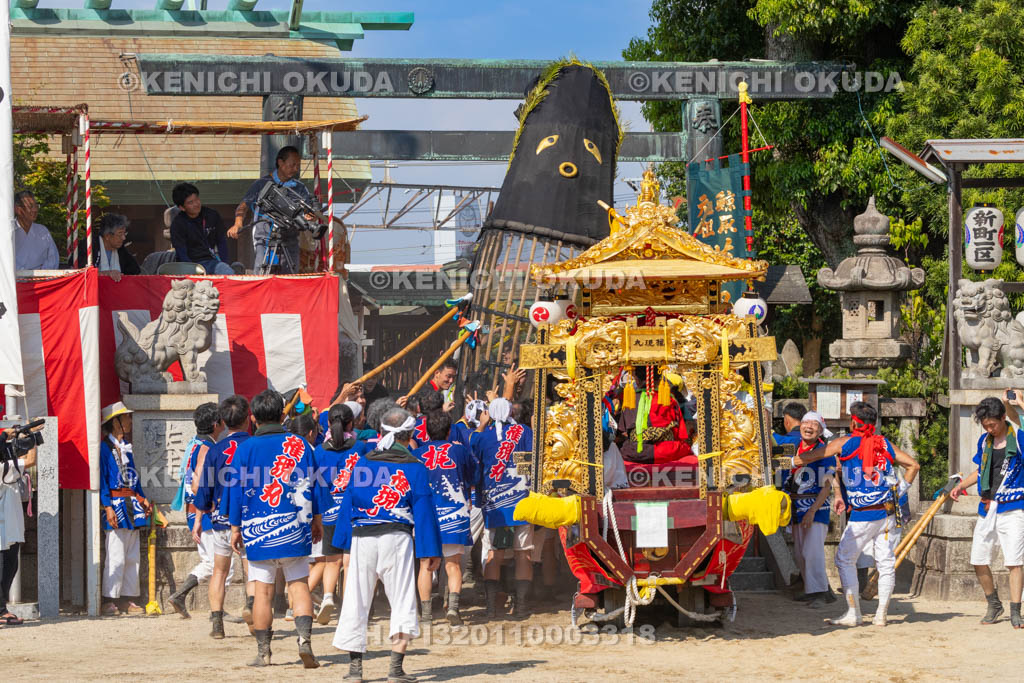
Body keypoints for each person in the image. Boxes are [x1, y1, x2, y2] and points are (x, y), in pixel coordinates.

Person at [332, 407, 442, 683]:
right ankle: (395, 669)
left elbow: (350, 502)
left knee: (356, 600)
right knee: (403, 599)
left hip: (361, 539)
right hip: (397, 539)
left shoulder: (364, 463)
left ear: (381, 432)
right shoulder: (415, 467)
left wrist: (342, 543)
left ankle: (355, 670)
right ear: (409, 436)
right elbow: (424, 510)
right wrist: (431, 551)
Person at [795, 401, 919, 627]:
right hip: (891, 512)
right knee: (886, 562)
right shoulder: (884, 443)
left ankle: (854, 612)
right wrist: (899, 490)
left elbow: (813, 456)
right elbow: (913, 465)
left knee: (844, 559)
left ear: (854, 421)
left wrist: (789, 461)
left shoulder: (845, 443)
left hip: (864, 514)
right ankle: (881, 615)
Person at [227, 389, 322, 668]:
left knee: (263, 591)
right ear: (283, 415)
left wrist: (235, 528)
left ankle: (264, 652)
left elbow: (235, 492)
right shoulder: (301, 445)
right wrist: (317, 520)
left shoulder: (244, 449)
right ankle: (304, 642)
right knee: (299, 585)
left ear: (253, 418)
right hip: (297, 526)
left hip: (258, 530)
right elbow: (316, 485)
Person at [951, 394, 1024, 627]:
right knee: (978, 559)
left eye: (993, 424)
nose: (990, 428)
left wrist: (1020, 404)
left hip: (1014, 506)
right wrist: (960, 485)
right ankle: (993, 603)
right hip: (987, 506)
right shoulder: (984, 441)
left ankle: (1015, 610)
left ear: (1004, 418)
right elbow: (980, 472)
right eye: (986, 426)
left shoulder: (1019, 439)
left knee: (1014, 561)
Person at [191, 396, 252, 635]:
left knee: (219, 570)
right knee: (252, 569)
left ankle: (217, 622)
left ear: (224, 421)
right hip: (249, 517)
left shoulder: (215, 450)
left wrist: (201, 513)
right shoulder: (254, 446)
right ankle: (252, 612)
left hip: (221, 518)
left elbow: (203, 488)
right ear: (248, 418)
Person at [167, 402, 231, 622]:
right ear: (216, 424)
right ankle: (185, 596)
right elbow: (198, 485)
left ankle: (197, 600)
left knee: (213, 561)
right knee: (218, 563)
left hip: (194, 510)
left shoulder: (196, 445)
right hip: (204, 511)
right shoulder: (207, 448)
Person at [412, 410, 475, 626]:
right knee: (453, 564)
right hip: (455, 512)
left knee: (425, 565)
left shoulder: (417, 454)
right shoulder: (459, 451)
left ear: (426, 433)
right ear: (450, 432)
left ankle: (427, 616)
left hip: (426, 514)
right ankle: (454, 609)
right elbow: (472, 477)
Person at [473, 397, 534, 617]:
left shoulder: (484, 437)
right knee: (523, 553)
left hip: (495, 504)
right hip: (523, 501)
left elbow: (476, 464)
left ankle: (491, 608)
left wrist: (481, 425)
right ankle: (522, 606)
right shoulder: (525, 432)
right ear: (511, 412)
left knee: (494, 554)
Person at [310, 404, 369, 626]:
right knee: (349, 562)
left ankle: (327, 597)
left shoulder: (319, 451)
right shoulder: (360, 448)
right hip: (353, 511)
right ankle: (348, 610)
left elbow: (315, 485)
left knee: (331, 561)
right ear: (351, 423)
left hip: (328, 512)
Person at [98, 401, 153, 616]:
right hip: (116, 504)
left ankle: (128, 598)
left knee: (132, 555)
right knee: (116, 554)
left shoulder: (127, 447)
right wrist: (107, 506)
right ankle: (110, 599)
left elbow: (134, 478)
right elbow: (102, 479)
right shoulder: (104, 448)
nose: (130, 420)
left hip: (132, 503)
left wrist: (142, 498)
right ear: (116, 422)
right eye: (126, 417)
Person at [230, 145, 315, 274]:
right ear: (280, 162)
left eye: (298, 165)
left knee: (290, 279)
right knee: (262, 276)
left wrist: (310, 216)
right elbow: (244, 205)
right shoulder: (261, 184)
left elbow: (309, 211)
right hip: (265, 239)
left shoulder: (300, 188)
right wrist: (238, 223)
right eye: (292, 165)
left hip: (290, 240)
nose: (296, 169)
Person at [785, 411, 836, 608]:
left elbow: (827, 485)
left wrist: (813, 510)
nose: (808, 427)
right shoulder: (794, 449)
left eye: (814, 424)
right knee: (799, 553)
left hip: (816, 508)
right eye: (806, 423)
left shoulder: (825, 452)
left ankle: (820, 593)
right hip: (796, 508)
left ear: (820, 430)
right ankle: (811, 589)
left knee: (811, 552)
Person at [0, 424, 38, 626]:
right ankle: (1, 609)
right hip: (3, 524)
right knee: (5, 566)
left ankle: (2, 608)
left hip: (9, 521)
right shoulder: (3, 468)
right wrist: (32, 439)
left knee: (10, 564)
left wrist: (22, 435)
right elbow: (31, 459)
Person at [169, 183, 235, 275]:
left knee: (226, 270)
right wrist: (192, 272)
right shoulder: (178, 224)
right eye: (190, 202)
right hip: (191, 265)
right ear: (182, 208)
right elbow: (182, 253)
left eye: (197, 199)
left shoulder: (212, 215)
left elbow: (221, 242)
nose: (196, 204)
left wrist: (225, 263)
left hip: (212, 261)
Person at [76, 213, 141, 280]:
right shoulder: (89, 245)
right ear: (107, 236)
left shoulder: (120, 249)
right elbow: (79, 271)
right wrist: (104, 273)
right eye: (120, 234)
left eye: (124, 233)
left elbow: (135, 270)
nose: (123, 238)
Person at [12, 190, 59, 270]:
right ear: (18, 209)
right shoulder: (8, 230)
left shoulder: (42, 231)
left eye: (36, 206)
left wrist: (41, 275)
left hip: (39, 280)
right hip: (12, 280)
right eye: (30, 206)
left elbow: (53, 259)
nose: (35, 210)